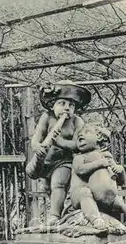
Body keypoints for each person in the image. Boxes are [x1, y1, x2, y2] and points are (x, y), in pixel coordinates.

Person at [26, 81, 91, 225]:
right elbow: (36, 138)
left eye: (71, 105)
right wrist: (37, 147)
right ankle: (60, 217)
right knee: (50, 190)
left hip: (64, 162)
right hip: (45, 162)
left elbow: (78, 144)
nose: (67, 108)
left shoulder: (76, 121)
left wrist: (59, 142)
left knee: (59, 185)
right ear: (52, 105)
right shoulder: (47, 117)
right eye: (62, 103)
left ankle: (54, 216)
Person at [70, 124, 126, 233]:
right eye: (79, 135)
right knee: (85, 192)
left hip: (103, 197)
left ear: (99, 137)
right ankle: (96, 219)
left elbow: (121, 182)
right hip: (80, 195)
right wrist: (100, 163)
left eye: (86, 132)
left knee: (118, 203)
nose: (81, 135)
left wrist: (120, 170)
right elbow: (80, 170)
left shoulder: (106, 156)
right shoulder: (79, 157)